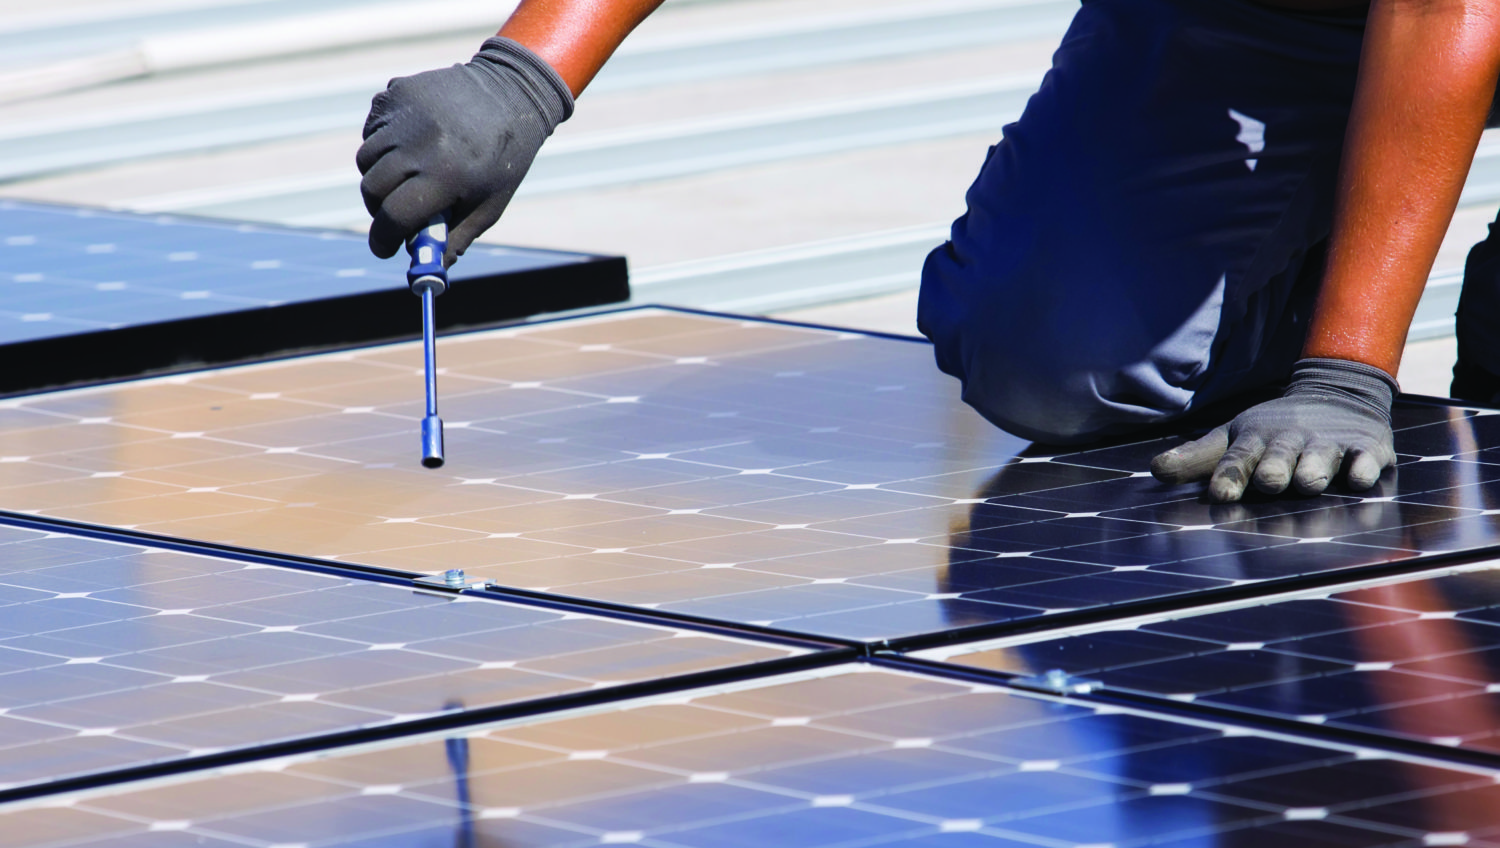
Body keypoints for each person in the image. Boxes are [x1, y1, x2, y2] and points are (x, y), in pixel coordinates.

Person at [356, 0, 1500, 503]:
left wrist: (1347, 371)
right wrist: (526, 74)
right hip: (1264, 20)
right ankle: (1278, 287)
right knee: (1046, 350)